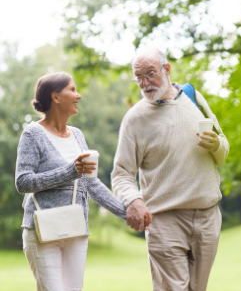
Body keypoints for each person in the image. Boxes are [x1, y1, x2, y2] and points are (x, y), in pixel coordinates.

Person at [15, 72, 147, 291]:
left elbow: (91, 184)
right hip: (41, 231)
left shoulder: (77, 135)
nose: (79, 95)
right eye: (73, 90)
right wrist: (70, 171)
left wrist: (127, 212)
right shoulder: (32, 133)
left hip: (75, 229)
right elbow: (23, 182)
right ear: (55, 97)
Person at [111, 48, 229, 291]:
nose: (144, 83)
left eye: (150, 74)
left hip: (208, 217)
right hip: (164, 219)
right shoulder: (135, 119)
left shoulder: (193, 96)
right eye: (138, 77)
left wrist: (217, 145)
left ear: (166, 69)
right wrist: (133, 200)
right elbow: (122, 173)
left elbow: (223, 149)